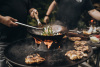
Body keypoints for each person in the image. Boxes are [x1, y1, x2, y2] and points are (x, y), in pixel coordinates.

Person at [0, 0, 38, 67]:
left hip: (22, 40)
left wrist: (32, 11)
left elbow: (29, 7)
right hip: (4, 40)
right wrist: (2, 19)